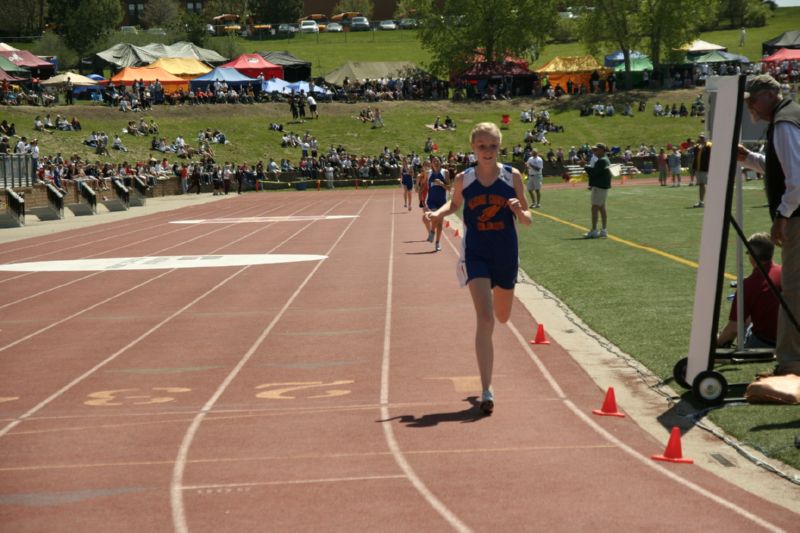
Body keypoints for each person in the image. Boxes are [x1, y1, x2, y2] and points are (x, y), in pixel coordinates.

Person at [426, 122, 532, 414]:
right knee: (485, 318)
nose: (487, 151)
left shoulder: (513, 177)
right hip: (476, 254)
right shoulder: (464, 179)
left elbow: (527, 217)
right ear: (473, 148)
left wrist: (520, 213)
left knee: (502, 316)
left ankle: (485, 388)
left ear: (500, 147)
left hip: (506, 254)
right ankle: (486, 389)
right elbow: (454, 205)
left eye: (493, 146)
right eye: (482, 146)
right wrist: (436, 213)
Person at [737, 74, 800, 376]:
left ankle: (791, 361)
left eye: (752, 101)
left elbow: (797, 181)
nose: (751, 108)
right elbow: (779, 166)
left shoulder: (784, 122)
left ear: (767, 95)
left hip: (797, 216)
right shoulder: (788, 117)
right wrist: (749, 158)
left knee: (794, 290)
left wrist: (782, 216)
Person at [717, 233, 782, 349]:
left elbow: (734, 328)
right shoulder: (786, 272)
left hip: (766, 342)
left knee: (738, 322)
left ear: (752, 256)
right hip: (791, 338)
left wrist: (718, 343)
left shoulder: (748, 285)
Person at [584, 143, 612, 238]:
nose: (594, 151)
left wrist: (585, 166)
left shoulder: (602, 161)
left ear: (602, 150)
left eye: (596, 150)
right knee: (601, 207)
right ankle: (603, 230)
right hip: (603, 186)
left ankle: (594, 230)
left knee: (595, 207)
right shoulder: (605, 160)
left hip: (599, 186)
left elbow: (594, 172)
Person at [422, 157, 450, 251]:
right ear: (431, 164)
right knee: (433, 216)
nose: (436, 163)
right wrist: (422, 198)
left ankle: (437, 243)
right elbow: (425, 186)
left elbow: (449, 188)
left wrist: (441, 184)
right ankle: (432, 232)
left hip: (442, 201)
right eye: (434, 161)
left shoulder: (445, 172)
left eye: (438, 161)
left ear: (441, 163)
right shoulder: (428, 173)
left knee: (440, 224)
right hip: (431, 200)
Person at [693, 133, 711, 207]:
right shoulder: (698, 147)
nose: (701, 139)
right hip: (699, 169)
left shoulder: (709, 146)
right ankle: (701, 201)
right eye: (700, 138)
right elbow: (695, 155)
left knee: (704, 184)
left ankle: (703, 202)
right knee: (701, 184)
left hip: (705, 169)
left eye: (702, 138)